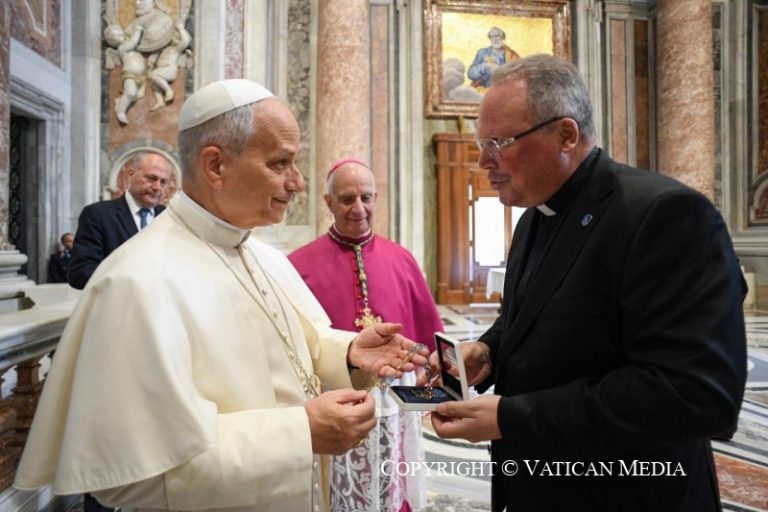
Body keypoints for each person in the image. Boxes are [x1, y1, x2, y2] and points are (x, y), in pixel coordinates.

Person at [14, 79, 428, 512]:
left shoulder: (263, 256)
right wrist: (299, 432)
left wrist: (349, 354)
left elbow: (292, 352)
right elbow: (129, 480)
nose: (298, 183)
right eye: (280, 163)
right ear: (215, 165)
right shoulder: (135, 282)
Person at [427, 54, 747, 511]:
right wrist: (489, 351)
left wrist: (512, 417)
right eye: (483, 143)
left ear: (565, 135)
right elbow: (540, 315)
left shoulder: (665, 215)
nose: (483, 161)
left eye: (499, 143)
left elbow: (695, 394)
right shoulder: (534, 217)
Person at [289, 158, 444, 512]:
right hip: (335, 402)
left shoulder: (402, 259)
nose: (358, 208)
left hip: (393, 403)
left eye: (366, 198)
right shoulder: (297, 266)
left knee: (391, 485)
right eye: (347, 199)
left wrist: (430, 383)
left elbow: (428, 335)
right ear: (328, 202)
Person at [67, 150, 171, 290]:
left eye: (163, 182)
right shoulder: (98, 214)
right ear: (130, 174)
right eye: (151, 178)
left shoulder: (168, 217)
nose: (157, 187)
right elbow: (80, 274)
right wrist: (135, 280)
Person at [467, 27, 519, 91]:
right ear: (490, 39)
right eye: (492, 37)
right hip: (483, 89)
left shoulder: (512, 55)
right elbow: (470, 74)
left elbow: (518, 76)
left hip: (504, 90)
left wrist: (501, 70)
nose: (495, 39)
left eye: (498, 36)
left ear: (503, 38)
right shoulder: (482, 52)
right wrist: (484, 66)